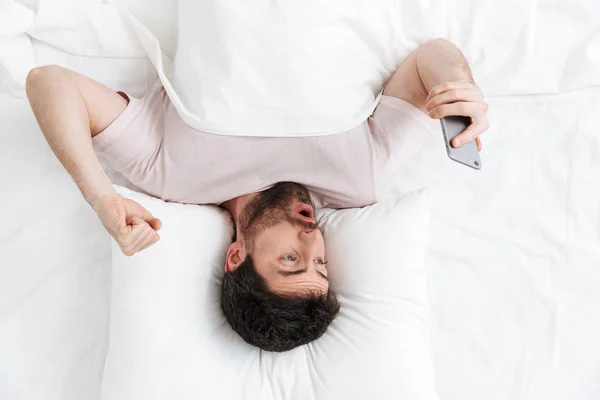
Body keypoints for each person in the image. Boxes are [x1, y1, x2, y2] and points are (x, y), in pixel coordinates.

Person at [25, 38, 489, 352]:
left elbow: (49, 82)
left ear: (235, 256)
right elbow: (432, 54)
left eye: (290, 260)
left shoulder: (169, 177)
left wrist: (101, 196)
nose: (313, 241)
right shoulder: (363, 179)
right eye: (322, 265)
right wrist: (459, 86)